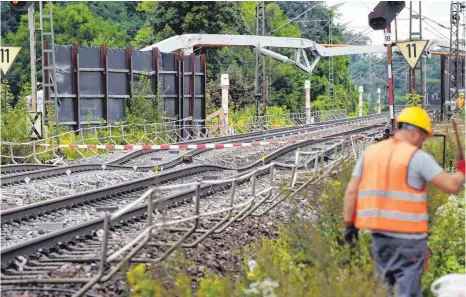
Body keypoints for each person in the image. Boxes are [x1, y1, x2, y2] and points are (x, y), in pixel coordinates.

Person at [342, 106, 465, 297]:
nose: (423, 143)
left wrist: (349, 225)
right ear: (416, 131)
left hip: (380, 239)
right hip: (410, 243)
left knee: (385, 289)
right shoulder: (417, 157)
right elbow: (451, 186)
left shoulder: (371, 153)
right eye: (424, 138)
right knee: (408, 291)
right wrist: (462, 171)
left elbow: (351, 191)